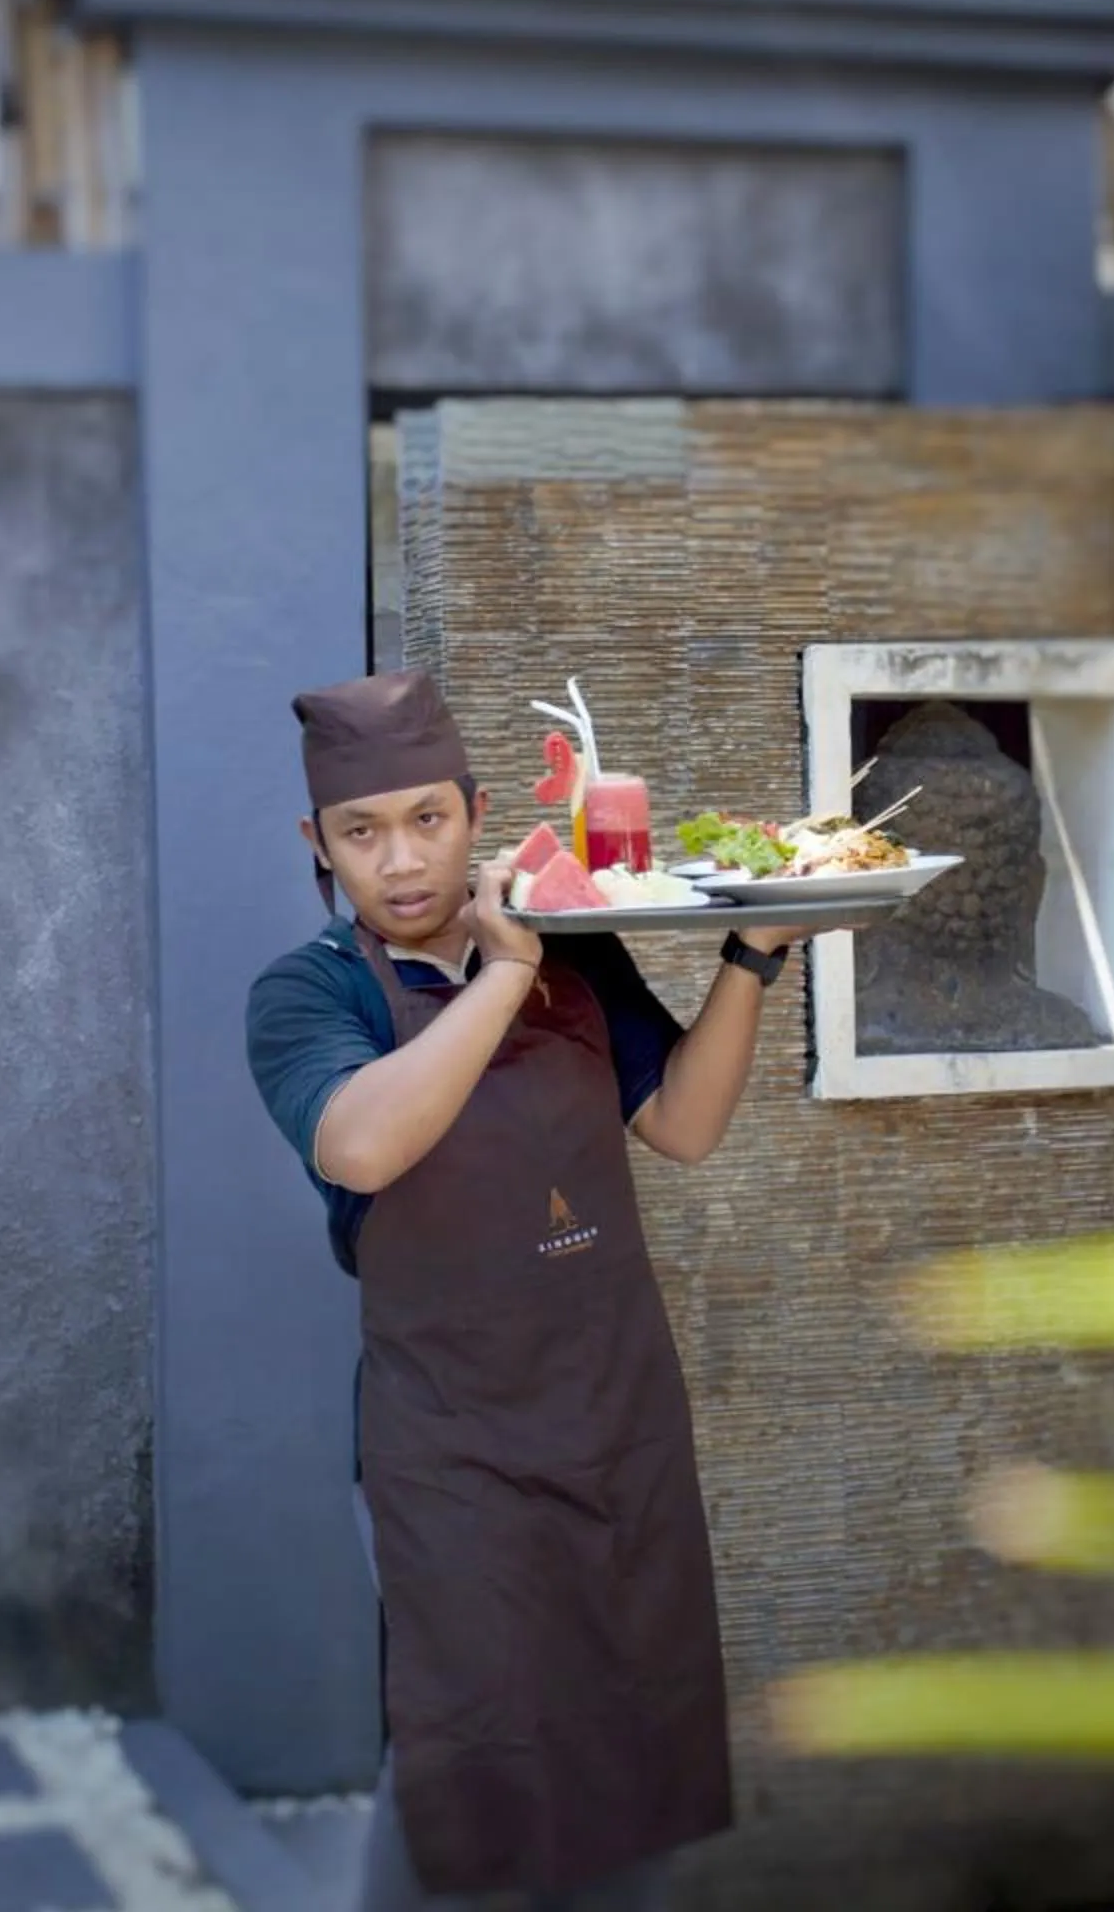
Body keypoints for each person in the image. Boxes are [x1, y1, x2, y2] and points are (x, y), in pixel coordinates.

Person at [245, 670, 810, 1912]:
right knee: (470, 1754)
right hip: (452, 1443)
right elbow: (361, 1145)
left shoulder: (583, 947)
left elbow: (684, 1122)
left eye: (429, 819)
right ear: (318, 844)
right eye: (361, 830)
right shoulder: (309, 993)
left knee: (639, 1734)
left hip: (617, 1418)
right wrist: (502, 975)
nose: (399, 859)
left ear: (476, 808)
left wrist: (751, 954)